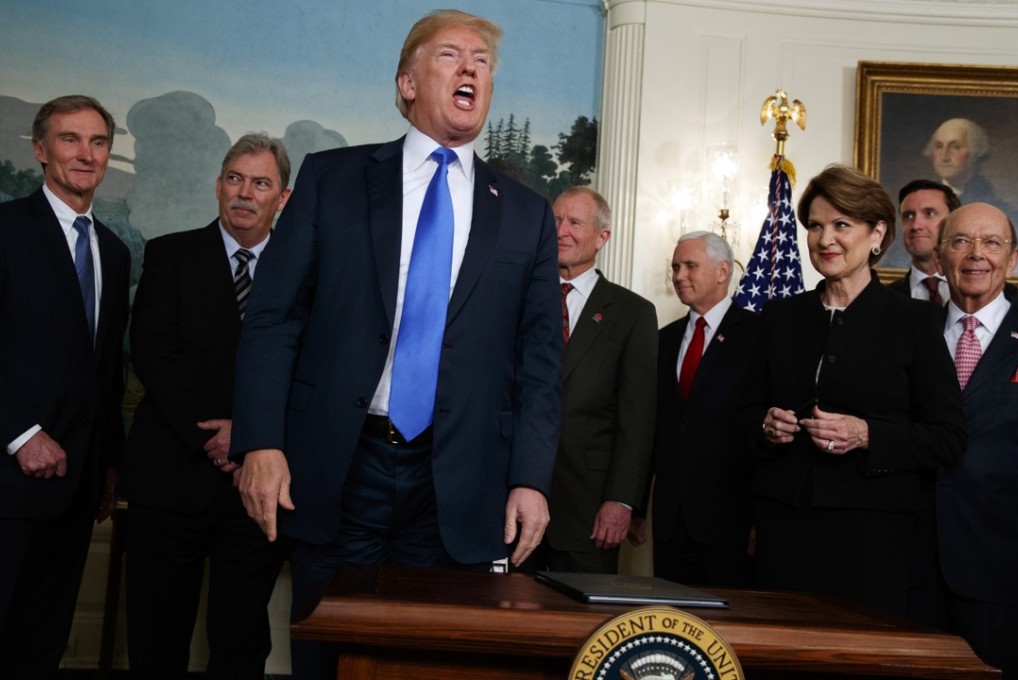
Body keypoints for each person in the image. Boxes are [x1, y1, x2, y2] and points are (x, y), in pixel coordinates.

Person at [228, 11, 561, 678]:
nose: (470, 69)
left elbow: (540, 361)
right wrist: (260, 443)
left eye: (482, 62)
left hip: (458, 482)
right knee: (327, 659)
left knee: (429, 665)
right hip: (340, 465)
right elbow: (273, 319)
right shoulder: (332, 179)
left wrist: (530, 478)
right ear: (408, 83)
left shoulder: (526, 214)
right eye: (451, 55)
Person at [751, 164, 966, 618]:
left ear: (877, 234)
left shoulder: (914, 321)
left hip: (875, 539)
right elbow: (741, 414)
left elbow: (947, 437)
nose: (825, 239)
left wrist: (867, 434)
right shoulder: (780, 317)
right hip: (784, 530)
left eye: (841, 225)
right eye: (815, 226)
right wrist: (765, 425)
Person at [120, 133, 291, 680]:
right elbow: (152, 352)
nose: (244, 193)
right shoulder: (170, 254)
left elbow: (313, 370)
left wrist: (250, 435)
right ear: (218, 185)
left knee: (240, 641)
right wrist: (213, 437)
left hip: (258, 485)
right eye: (235, 179)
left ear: (282, 197)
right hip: (170, 477)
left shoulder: (303, 270)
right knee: (156, 637)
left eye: (260, 183)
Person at [0, 95, 130, 678]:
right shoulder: (6, 229)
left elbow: (106, 370)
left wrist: (107, 465)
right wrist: (20, 434)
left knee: (41, 645)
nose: (85, 154)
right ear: (40, 150)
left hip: (77, 489)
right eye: (69, 139)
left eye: (98, 142)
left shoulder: (115, 254)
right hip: (7, 481)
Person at [524, 186, 656, 574]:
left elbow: (637, 419)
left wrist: (622, 500)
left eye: (575, 222)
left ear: (602, 237)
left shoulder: (632, 313)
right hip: (513, 501)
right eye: (555, 220)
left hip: (588, 508)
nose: (560, 231)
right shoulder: (520, 297)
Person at [637, 231, 759, 587]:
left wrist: (762, 519)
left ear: (723, 271)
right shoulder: (664, 339)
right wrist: (636, 504)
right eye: (675, 267)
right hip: (671, 520)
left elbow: (762, 433)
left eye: (690, 266)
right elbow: (651, 427)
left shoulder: (759, 334)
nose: (679, 276)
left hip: (731, 522)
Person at [935, 202, 1018, 678]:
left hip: (1004, 572)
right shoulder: (907, 331)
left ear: (1013, 258)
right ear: (940, 255)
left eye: (992, 242)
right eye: (961, 241)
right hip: (912, 568)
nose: (976, 254)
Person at [924, 118, 1018, 227]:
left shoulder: (1002, 212)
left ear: (974, 153)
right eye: (939, 146)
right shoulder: (920, 201)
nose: (944, 157)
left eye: (955, 147)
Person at [886, 179, 959, 304]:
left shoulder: (981, 291)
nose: (916, 225)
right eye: (908, 216)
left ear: (954, 221)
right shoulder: (884, 299)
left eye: (929, 213)